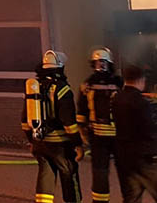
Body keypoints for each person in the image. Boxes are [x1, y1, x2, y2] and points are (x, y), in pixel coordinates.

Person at [113, 64, 157, 203]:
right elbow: (149, 129)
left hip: (124, 157)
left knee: (131, 198)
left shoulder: (117, 99)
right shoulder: (140, 102)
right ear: (140, 80)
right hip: (145, 158)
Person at [22, 50, 83, 203]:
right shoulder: (62, 89)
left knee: (45, 177)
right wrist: (78, 144)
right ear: (60, 68)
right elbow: (69, 124)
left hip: (40, 143)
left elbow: (24, 120)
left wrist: (31, 140)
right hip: (60, 146)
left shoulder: (34, 87)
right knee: (69, 175)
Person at [78, 47, 123, 203]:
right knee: (123, 171)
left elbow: (81, 111)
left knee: (100, 172)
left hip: (98, 137)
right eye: (100, 63)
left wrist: (82, 132)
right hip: (117, 136)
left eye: (101, 63)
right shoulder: (118, 82)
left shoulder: (87, 84)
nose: (101, 65)